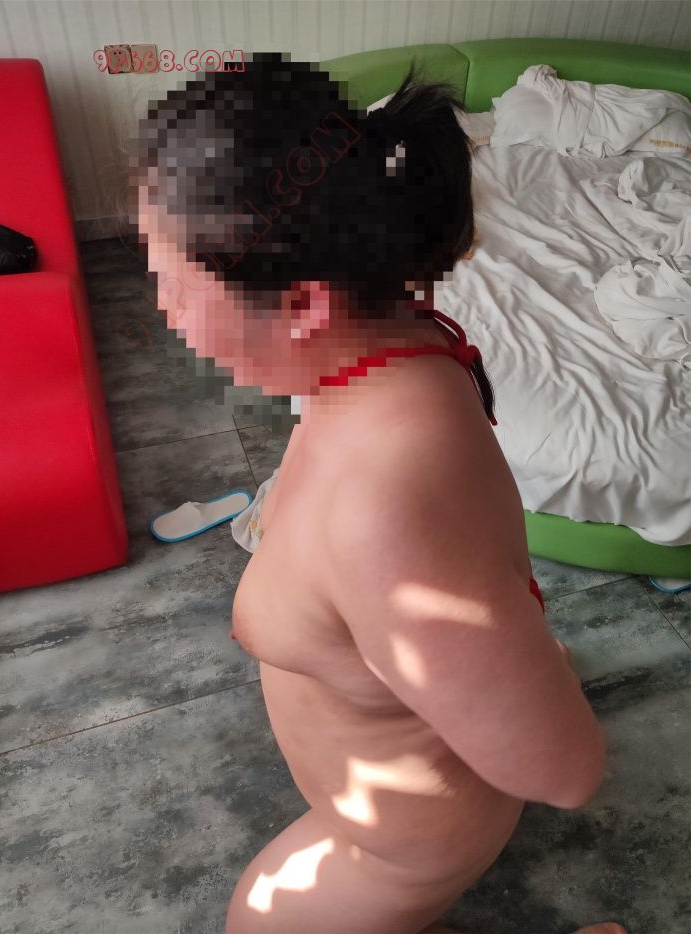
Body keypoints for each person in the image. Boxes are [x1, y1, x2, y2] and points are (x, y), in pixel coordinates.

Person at [130, 52, 626, 934]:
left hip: (400, 846)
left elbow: (566, 770)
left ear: (304, 305)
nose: (162, 313)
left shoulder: (382, 512)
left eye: (172, 284)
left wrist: (507, 682)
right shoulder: (391, 339)